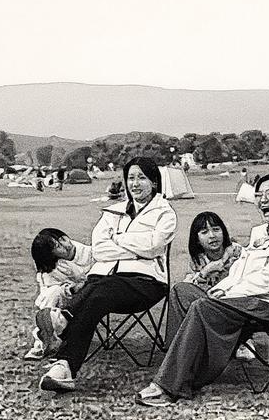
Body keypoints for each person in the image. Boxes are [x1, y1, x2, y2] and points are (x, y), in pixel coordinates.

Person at [136, 173, 269, 407]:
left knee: (203, 306)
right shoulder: (261, 232)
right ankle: (177, 366)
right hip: (247, 299)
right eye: (259, 195)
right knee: (182, 291)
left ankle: (170, 386)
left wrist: (231, 293)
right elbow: (241, 270)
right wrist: (222, 288)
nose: (263, 199)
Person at [37, 156, 178, 392]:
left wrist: (118, 239)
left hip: (146, 283)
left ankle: (63, 325)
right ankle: (64, 367)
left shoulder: (164, 213)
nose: (135, 184)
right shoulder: (113, 211)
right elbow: (99, 248)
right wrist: (136, 250)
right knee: (95, 293)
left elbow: (154, 246)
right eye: (130, 178)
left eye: (141, 178)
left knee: (97, 291)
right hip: (102, 282)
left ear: (154, 182)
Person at [180, 211, 253, 360]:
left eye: (216, 229)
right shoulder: (197, 260)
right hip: (210, 306)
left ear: (223, 232)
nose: (212, 236)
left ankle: (244, 341)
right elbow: (188, 287)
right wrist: (205, 272)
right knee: (184, 294)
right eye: (204, 232)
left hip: (236, 304)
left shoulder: (237, 252)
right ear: (197, 239)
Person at [24, 228, 92, 360]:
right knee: (51, 295)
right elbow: (47, 294)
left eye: (63, 239)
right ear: (51, 254)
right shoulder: (51, 270)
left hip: (94, 293)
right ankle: (45, 339)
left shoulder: (89, 252)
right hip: (67, 300)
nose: (65, 245)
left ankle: (54, 336)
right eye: (57, 246)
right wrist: (71, 289)